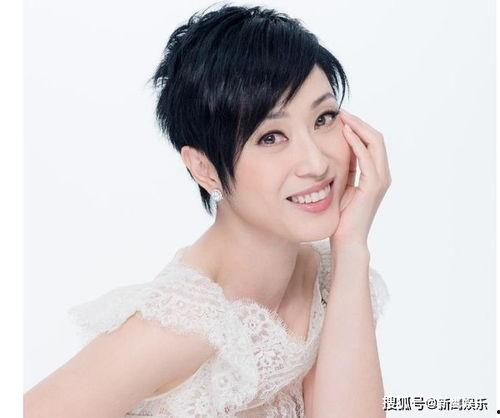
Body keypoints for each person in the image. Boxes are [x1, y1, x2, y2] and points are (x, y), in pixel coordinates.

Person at [24, 3, 392, 417]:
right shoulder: (184, 324)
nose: (316, 163)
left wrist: (352, 246)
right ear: (204, 168)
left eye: (323, 118)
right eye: (270, 137)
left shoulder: (324, 279)